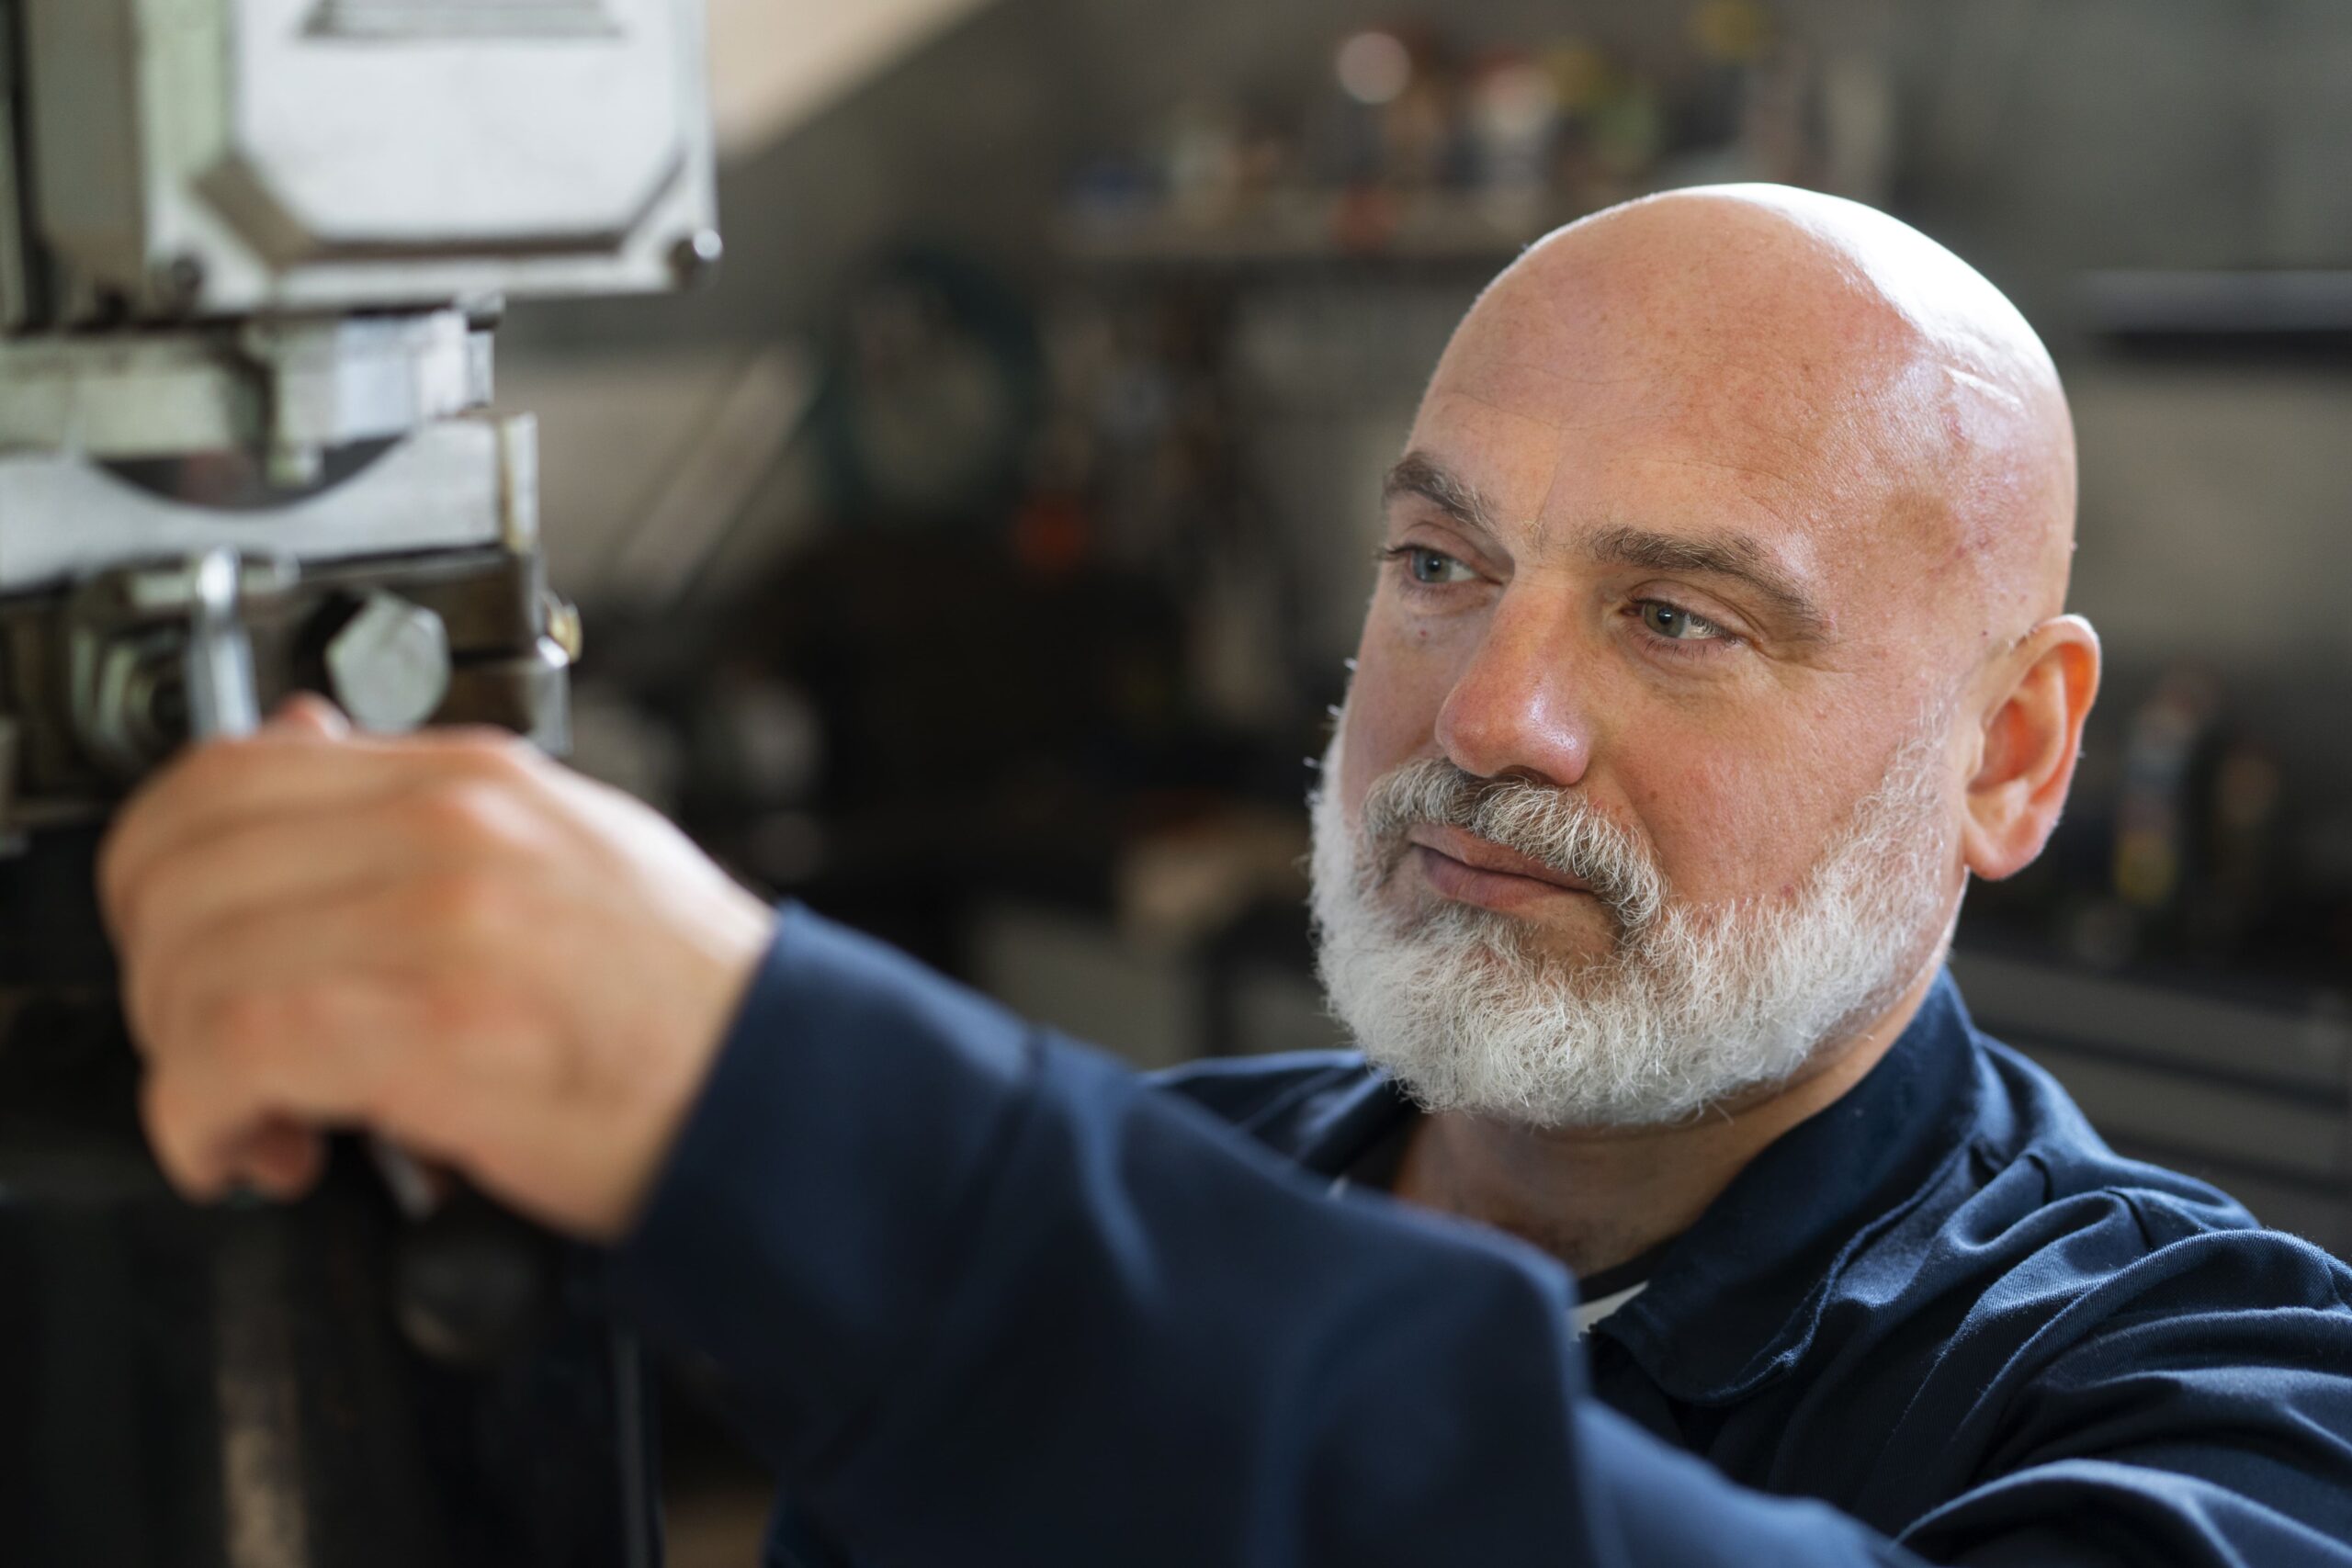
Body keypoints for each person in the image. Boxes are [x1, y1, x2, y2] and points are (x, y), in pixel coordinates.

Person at [97, 186, 2352, 1566]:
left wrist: (819, 1121)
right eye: (1436, 561)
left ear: (2012, 750)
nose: (1482, 716)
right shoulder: (1175, 1182)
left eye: (1675, 617)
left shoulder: (2220, 1400)